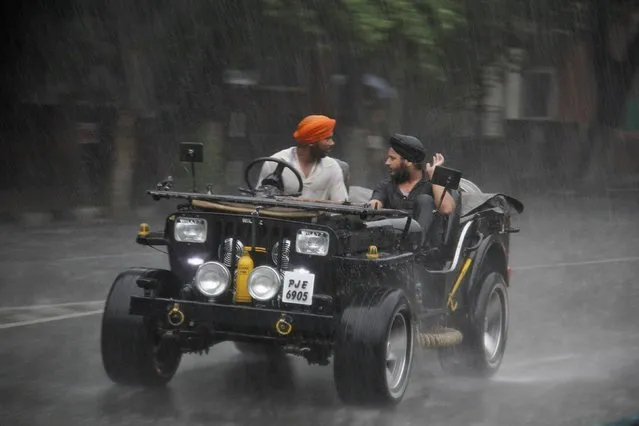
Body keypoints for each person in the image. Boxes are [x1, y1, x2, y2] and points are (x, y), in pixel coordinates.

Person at [257, 114, 349, 203]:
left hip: (320, 219)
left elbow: (341, 205)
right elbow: (260, 201)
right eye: (327, 139)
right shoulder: (274, 163)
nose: (332, 143)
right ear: (311, 142)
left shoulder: (332, 167)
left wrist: (309, 202)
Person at [368, 134, 456, 215]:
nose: (387, 162)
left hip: (425, 232)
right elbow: (375, 203)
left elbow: (447, 209)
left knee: (424, 200)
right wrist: (372, 206)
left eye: (392, 158)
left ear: (409, 162)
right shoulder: (385, 186)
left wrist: (435, 177)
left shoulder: (432, 185)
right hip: (392, 232)